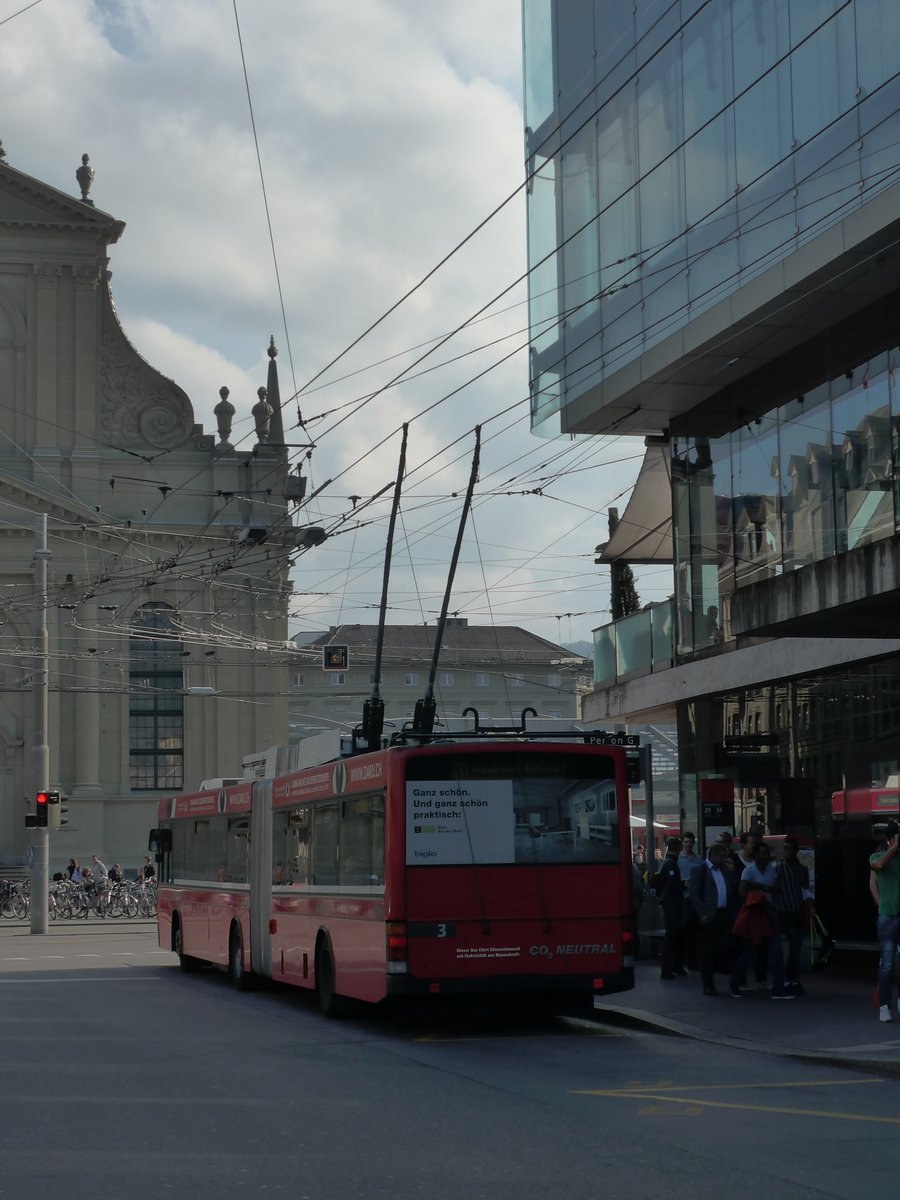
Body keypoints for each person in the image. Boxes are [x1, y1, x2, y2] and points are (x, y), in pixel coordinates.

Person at [729, 841, 792, 1000]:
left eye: (767, 853)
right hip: (755, 915)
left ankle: (778, 989)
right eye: (763, 853)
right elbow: (742, 893)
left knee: (776, 952)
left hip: (770, 913)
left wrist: (758, 887)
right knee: (748, 952)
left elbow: (777, 889)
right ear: (756, 855)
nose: (766, 856)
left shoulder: (771, 871)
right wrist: (763, 889)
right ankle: (734, 984)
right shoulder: (748, 871)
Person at [688, 843, 735, 995]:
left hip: (723, 914)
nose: (723, 859)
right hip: (709, 916)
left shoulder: (723, 870)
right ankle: (708, 984)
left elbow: (731, 888)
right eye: (722, 857)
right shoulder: (700, 869)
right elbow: (694, 893)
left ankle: (720, 974)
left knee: (723, 946)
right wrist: (702, 913)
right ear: (714, 856)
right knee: (708, 950)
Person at [869, 818, 900, 1023]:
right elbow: (878, 867)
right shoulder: (877, 856)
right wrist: (895, 847)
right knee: (887, 963)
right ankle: (884, 1005)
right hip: (888, 916)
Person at [774, 837, 811, 996]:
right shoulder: (779, 868)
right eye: (785, 849)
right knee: (793, 945)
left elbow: (805, 890)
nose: (787, 852)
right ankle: (791, 979)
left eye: (790, 849)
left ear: (796, 850)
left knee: (796, 946)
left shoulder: (802, 869)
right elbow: (775, 889)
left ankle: (792, 979)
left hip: (798, 910)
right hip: (785, 911)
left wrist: (810, 905)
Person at [652, 837, 687, 979]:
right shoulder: (671, 864)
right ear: (678, 848)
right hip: (672, 905)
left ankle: (673, 967)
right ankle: (668, 968)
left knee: (674, 936)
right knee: (672, 936)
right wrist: (684, 885)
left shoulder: (667, 862)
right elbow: (673, 883)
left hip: (670, 904)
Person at [678, 833, 704, 970]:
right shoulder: (677, 859)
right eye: (686, 842)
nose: (688, 844)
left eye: (690, 842)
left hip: (694, 900)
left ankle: (693, 961)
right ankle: (683, 960)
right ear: (682, 843)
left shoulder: (698, 860)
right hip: (682, 899)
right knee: (683, 931)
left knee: (694, 933)